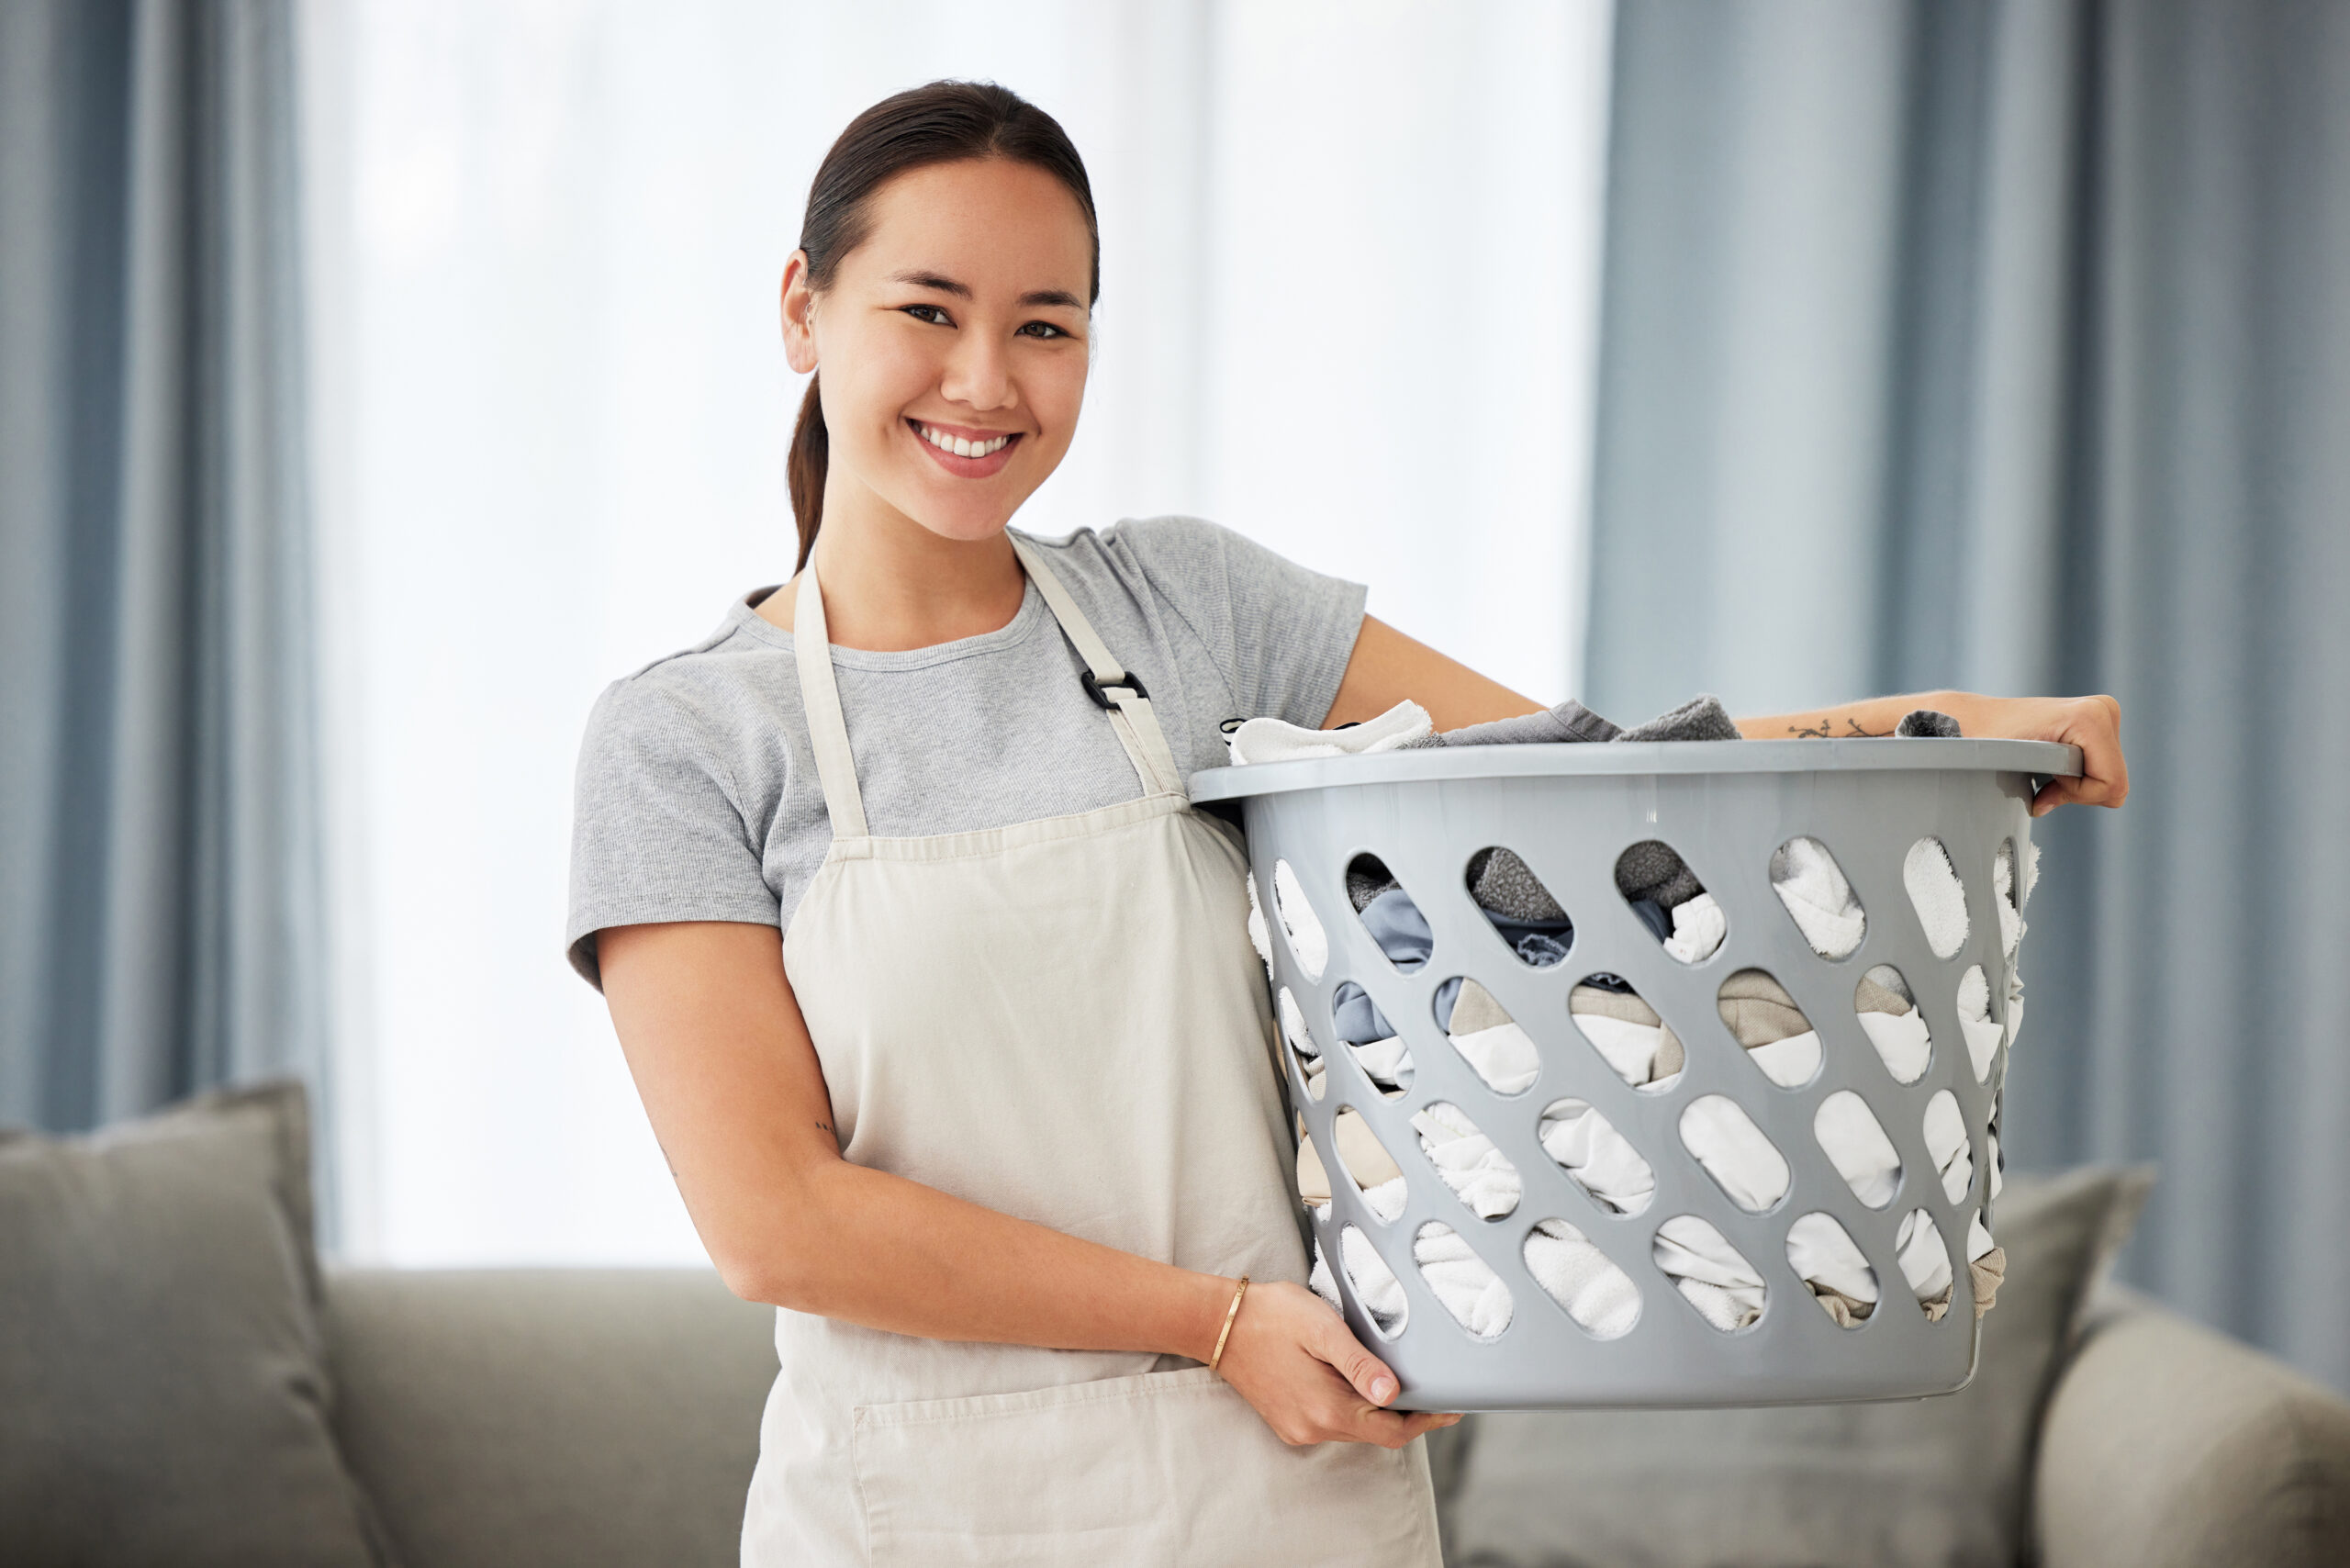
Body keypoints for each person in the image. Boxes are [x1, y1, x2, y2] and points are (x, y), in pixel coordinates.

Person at [566, 80, 2129, 1568]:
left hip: (1284, 1483)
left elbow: (1577, 783)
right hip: (925, 1511)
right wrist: (1216, 1324)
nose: (987, 381)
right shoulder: (689, 740)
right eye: (928, 311)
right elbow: (781, 1223)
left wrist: (1944, 732)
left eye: (1046, 326)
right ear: (802, 310)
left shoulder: (1185, 610)